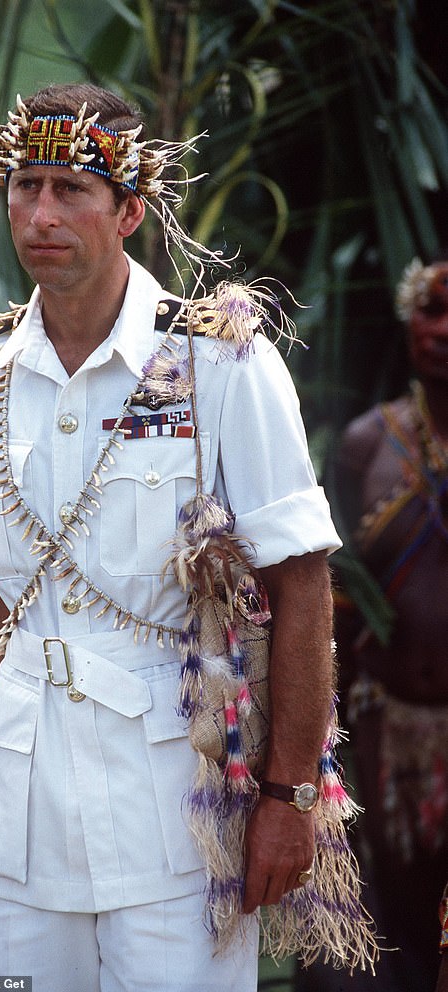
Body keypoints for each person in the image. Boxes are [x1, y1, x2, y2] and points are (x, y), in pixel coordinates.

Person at [0, 83, 365, 991]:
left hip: (179, 805)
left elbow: (301, 582)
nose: (41, 213)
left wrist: (286, 798)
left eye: (71, 190)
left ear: (130, 209)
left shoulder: (222, 359)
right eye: (25, 186)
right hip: (20, 810)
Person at [328, 258, 448, 991]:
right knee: (403, 925)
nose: (441, 332)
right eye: (429, 313)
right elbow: (334, 604)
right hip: (389, 731)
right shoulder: (365, 446)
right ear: (407, 327)